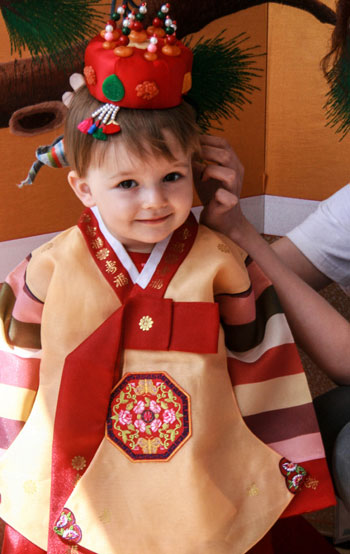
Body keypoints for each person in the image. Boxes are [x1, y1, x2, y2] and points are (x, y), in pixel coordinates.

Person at [0, 4, 335, 554]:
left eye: (173, 177)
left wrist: (282, 462)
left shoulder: (224, 265)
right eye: (127, 183)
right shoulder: (46, 270)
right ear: (84, 188)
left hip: (201, 466)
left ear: (196, 166)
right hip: (79, 468)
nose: (155, 201)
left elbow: (264, 366)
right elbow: (17, 375)